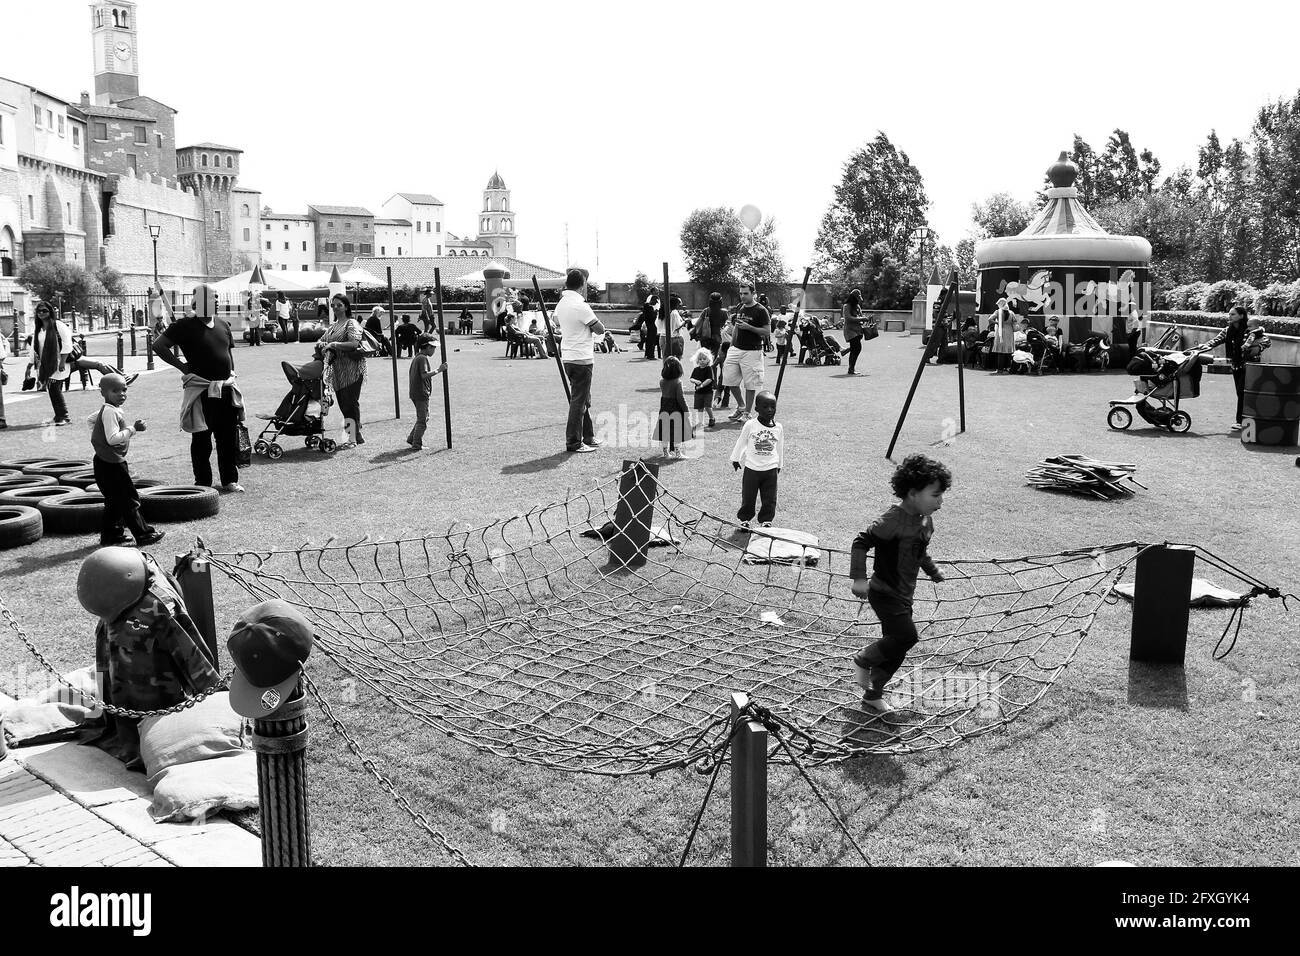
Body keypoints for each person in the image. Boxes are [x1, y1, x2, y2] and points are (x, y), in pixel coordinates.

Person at [849, 454, 951, 714]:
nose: (940, 503)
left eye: (941, 496)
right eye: (935, 495)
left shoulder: (926, 521)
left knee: (897, 648)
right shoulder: (892, 520)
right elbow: (861, 542)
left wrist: (932, 570)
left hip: (905, 595)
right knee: (906, 636)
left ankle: (873, 694)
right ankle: (863, 660)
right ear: (913, 492)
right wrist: (859, 579)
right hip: (884, 592)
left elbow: (918, 552)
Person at [152, 284, 246, 493]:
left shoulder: (223, 324)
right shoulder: (184, 326)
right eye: (214, 297)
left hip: (226, 389)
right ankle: (202, 482)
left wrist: (232, 374)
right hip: (201, 390)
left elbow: (228, 355)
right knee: (202, 437)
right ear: (200, 301)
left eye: (218, 298)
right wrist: (182, 367)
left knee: (227, 437)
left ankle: (229, 480)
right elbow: (158, 346)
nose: (218, 301)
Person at [90, 373, 165, 547]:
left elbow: (91, 420)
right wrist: (133, 429)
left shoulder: (109, 410)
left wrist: (96, 434)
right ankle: (144, 534)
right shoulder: (110, 412)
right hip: (111, 463)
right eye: (115, 391)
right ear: (104, 393)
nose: (121, 394)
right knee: (128, 499)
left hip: (104, 461)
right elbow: (113, 439)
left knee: (113, 500)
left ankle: (111, 535)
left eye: (124, 389)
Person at [31, 301, 116, 425]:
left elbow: (67, 343)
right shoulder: (39, 328)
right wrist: (32, 363)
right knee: (53, 389)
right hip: (46, 363)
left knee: (54, 388)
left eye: (44, 310)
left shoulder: (58, 325)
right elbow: (36, 346)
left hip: (60, 362)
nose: (41, 313)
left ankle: (64, 416)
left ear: (50, 312)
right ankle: (58, 415)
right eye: (39, 311)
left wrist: (62, 362)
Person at [554, 268, 606, 453]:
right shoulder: (580, 305)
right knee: (579, 400)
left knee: (583, 398)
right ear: (582, 284)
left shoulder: (562, 303)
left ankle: (588, 436)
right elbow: (600, 329)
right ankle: (574, 442)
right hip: (581, 358)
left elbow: (556, 320)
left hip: (569, 356)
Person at [730, 390, 783, 529]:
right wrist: (736, 458)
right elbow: (741, 442)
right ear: (757, 409)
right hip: (752, 469)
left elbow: (779, 447)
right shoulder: (751, 425)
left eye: (773, 406)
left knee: (770, 498)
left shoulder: (778, 427)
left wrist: (779, 464)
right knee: (748, 497)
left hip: (770, 469)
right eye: (765, 407)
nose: (770, 410)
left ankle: (766, 520)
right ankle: (745, 519)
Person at [1195, 305, 1252, 432]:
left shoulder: (1249, 330)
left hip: (1250, 366)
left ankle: (1241, 421)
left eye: (1233, 314)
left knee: (1243, 393)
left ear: (1241, 316)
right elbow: (1216, 340)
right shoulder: (1228, 330)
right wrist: (1204, 347)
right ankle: (1245, 420)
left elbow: (1263, 341)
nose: (1230, 317)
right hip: (1236, 365)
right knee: (1240, 393)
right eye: (1229, 314)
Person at [321, 294, 368, 448]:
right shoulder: (333, 326)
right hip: (338, 372)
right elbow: (323, 339)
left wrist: (334, 344)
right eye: (333, 305)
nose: (335, 307)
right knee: (344, 405)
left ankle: (352, 439)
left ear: (346, 307)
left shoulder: (351, 323)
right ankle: (356, 435)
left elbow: (354, 344)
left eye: (339, 305)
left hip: (353, 370)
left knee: (350, 405)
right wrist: (321, 343)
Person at [720, 281, 770, 421]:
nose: (742, 296)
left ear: (753, 293)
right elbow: (736, 327)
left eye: (745, 293)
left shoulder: (761, 310)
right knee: (729, 380)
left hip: (752, 351)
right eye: (741, 293)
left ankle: (747, 413)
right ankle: (741, 406)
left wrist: (750, 328)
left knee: (750, 383)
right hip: (736, 348)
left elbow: (767, 331)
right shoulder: (740, 307)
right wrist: (731, 345)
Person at [406, 335, 447, 450]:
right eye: (433, 347)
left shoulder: (418, 357)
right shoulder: (422, 358)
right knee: (422, 420)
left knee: (424, 417)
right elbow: (424, 375)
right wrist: (439, 370)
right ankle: (416, 444)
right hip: (420, 393)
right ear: (427, 347)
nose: (434, 350)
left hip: (417, 392)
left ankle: (411, 438)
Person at [654, 356, 690, 459]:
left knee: (665, 430)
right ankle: (678, 453)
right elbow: (680, 398)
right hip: (676, 409)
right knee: (678, 431)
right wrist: (686, 410)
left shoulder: (662, 381)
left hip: (664, 408)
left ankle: (665, 452)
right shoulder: (678, 382)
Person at [688, 346, 718, 432]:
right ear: (697, 360)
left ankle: (712, 418)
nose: (702, 360)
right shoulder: (696, 369)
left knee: (708, 406)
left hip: (707, 392)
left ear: (708, 360)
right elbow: (691, 378)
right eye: (700, 359)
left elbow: (709, 379)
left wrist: (701, 385)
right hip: (698, 393)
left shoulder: (709, 369)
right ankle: (700, 422)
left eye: (704, 359)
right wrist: (695, 381)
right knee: (699, 408)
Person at [842, 289, 867, 375]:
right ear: (853, 298)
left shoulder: (857, 306)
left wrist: (865, 319)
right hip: (850, 330)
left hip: (858, 330)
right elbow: (848, 318)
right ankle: (851, 369)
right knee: (857, 348)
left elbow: (860, 317)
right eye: (857, 298)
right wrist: (862, 319)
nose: (858, 300)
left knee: (855, 348)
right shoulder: (847, 306)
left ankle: (851, 368)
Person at [989, 299, 1016, 374]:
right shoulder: (1011, 313)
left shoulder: (998, 312)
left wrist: (997, 322)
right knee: (1008, 351)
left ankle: (1000, 369)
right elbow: (1015, 322)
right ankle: (1008, 368)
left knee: (1000, 352)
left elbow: (990, 319)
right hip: (1009, 332)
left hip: (1001, 332)